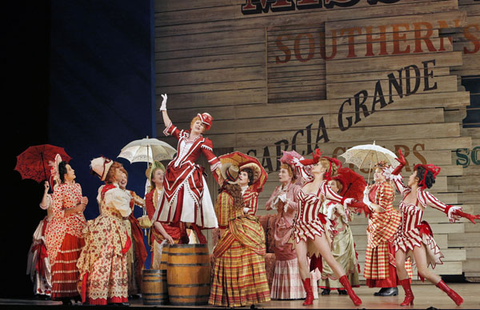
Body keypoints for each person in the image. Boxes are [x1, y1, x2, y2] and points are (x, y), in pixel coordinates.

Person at [386, 151, 480, 306]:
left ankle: (452, 293)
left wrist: (466, 215)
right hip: (401, 236)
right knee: (399, 265)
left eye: (411, 175)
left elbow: (445, 207)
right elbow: (394, 177)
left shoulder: (424, 197)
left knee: (423, 271)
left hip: (414, 236)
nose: (407, 177)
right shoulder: (405, 192)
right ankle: (409, 296)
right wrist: (401, 165)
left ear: (416, 179)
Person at [291, 149, 364, 306]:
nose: (313, 165)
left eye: (317, 164)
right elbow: (299, 165)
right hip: (299, 227)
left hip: (314, 226)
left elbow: (343, 199)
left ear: (324, 170)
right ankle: (308, 295)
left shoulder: (324, 187)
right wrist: (313, 160)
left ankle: (351, 293)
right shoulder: (306, 182)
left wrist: (365, 205)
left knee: (329, 259)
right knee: (301, 261)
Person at [158, 94, 220, 243]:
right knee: (174, 204)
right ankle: (180, 231)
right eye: (197, 122)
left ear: (204, 130)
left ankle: (189, 228)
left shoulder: (202, 141)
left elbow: (211, 158)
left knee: (186, 204)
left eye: (202, 125)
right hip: (174, 171)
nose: (199, 125)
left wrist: (221, 171)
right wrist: (163, 108)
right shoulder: (182, 135)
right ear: (192, 123)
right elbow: (169, 126)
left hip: (188, 173)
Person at [209, 163, 271, 307]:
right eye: (240, 174)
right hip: (239, 224)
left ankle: (240, 296)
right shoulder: (233, 192)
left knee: (238, 253)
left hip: (243, 224)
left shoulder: (234, 195)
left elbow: (227, 219)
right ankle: (247, 295)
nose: (241, 177)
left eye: (244, 175)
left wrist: (223, 237)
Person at [77, 157, 132, 305]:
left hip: (102, 225)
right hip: (113, 226)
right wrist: (129, 200)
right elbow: (125, 212)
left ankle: (103, 294)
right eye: (119, 170)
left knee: (103, 258)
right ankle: (112, 296)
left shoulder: (103, 189)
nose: (122, 172)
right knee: (112, 257)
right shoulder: (116, 192)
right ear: (113, 175)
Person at [265, 162, 319, 300]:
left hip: (292, 227)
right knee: (282, 257)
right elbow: (267, 206)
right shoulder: (278, 189)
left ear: (290, 175)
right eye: (280, 171)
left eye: (283, 172)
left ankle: (301, 292)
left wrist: (288, 202)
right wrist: (275, 200)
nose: (279, 174)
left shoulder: (296, 188)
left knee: (293, 255)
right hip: (279, 227)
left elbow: (302, 205)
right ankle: (283, 292)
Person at [45, 156, 88, 305]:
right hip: (66, 228)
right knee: (68, 261)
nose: (73, 170)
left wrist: (82, 204)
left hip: (79, 225)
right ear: (64, 174)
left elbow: (79, 207)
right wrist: (75, 208)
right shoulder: (60, 189)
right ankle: (65, 294)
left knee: (79, 260)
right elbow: (57, 212)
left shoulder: (78, 186)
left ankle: (77, 292)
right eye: (70, 169)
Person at [362, 161, 402, 297]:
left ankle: (391, 285)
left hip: (386, 223)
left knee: (386, 254)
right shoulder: (373, 186)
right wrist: (365, 195)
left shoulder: (386, 188)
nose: (376, 174)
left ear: (386, 175)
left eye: (379, 172)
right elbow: (370, 207)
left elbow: (381, 209)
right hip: (376, 222)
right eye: (375, 172)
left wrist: (367, 201)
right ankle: (384, 285)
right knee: (379, 255)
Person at [318, 178, 360, 296]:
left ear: (338, 188)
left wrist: (343, 213)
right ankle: (326, 286)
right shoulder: (323, 203)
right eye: (328, 184)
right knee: (327, 259)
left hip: (341, 234)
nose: (330, 186)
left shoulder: (343, 202)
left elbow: (350, 219)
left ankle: (342, 286)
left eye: (333, 184)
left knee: (341, 259)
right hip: (328, 234)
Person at [145, 161, 183, 269]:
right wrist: (165, 234)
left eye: (163, 173)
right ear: (153, 179)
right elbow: (154, 219)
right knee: (160, 265)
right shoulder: (150, 196)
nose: (162, 175)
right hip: (160, 232)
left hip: (175, 228)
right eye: (158, 174)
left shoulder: (173, 193)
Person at [119, 171, 147, 297]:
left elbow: (145, 203)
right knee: (123, 256)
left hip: (130, 226)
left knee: (133, 256)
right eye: (121, 177)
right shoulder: (114, 193)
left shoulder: (131, 194)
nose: (123, 179)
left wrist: (150, 192)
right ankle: (121, 288)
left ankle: (133, 288)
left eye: (125, 177)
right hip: (118, 226)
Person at [27, 180, 54, 299]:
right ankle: (42, 289)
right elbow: (43, 206)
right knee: (44, 257)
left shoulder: (66, 195)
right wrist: (45, 191)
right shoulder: (50, 196)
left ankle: (58, 289)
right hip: (49, 228)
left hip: (62, 228)